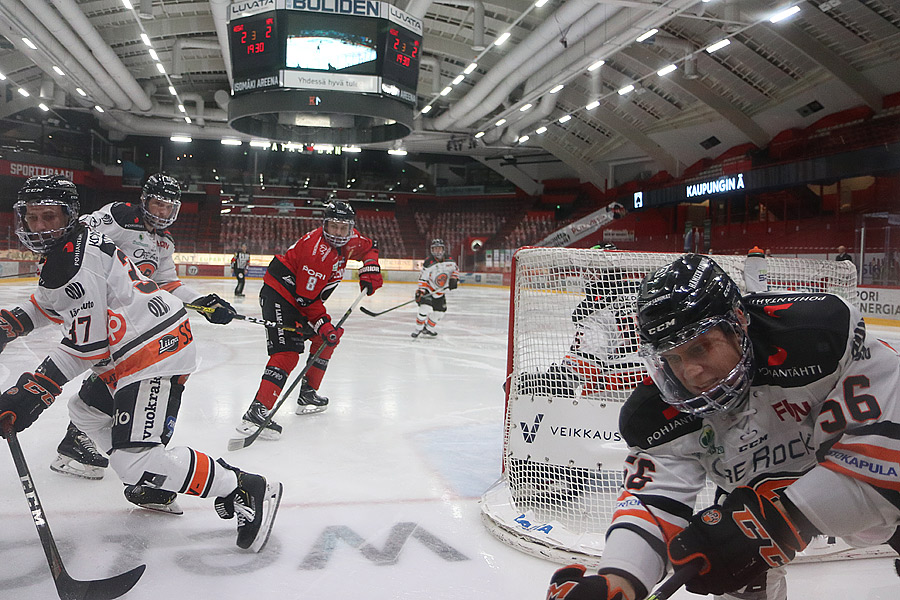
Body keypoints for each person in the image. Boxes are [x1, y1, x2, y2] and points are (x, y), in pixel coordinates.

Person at [546, 253, 900, 600]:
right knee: (733, 569)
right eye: (672, 357)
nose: (690, 373)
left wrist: (771, 523)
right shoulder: (653, 414)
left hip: (849, 497)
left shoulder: (819, 335)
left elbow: (887, 461)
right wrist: (619, 578)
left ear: (740, 320)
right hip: (754, 500)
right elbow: (653, 502)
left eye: (700, 347)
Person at [0, 175, 281, 552]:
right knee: (84, 410)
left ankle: (244, 487)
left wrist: (35, 389)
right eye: (32, 218)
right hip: (136, 340)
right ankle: (151, 475)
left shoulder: (80, 255)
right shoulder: (81, 239)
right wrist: (11, 323)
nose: (38, 227)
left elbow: (88, 347)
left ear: (68, 215)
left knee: (134, 462)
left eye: (48, 217)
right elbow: (52, 302)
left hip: (153, 350)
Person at [47, 173, 237, 501]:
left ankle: (79, 443)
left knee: (117, 376)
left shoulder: (163, 242)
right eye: (157, 204)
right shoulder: (121, 216)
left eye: (168, 207)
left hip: (127, 321)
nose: (162, 213)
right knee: (121, 374)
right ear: (144, 200)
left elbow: (167, 283)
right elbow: (78, 233)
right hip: (100, 312)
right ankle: (91, 445)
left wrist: (203, 302)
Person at [237, 201, 381, 438]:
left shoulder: (352, 239)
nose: (338, 233)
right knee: (288, 352)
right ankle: (256, 412)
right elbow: (306, 302)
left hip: (304, 297)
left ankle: (307, 395)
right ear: (324, 225)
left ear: (350, 228)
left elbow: (370, 247)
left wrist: (371, 268)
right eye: (333, 227)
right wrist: (323, 324)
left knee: (326, 341)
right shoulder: (317, 253)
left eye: (343, 228)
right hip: (281, 296)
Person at [519, 268, 643, 398]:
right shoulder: (645, 295)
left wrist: (542, 383)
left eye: (591, 271)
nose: (586, 276)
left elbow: (579, 370)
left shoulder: (595, 309)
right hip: (657, 387)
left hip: (614, 394)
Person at [411, 238, 459, 338]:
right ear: (432, 250)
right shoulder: (429, 262)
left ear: (443, 249)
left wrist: (454, 278)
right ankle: (418, 329)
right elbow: (423, 278)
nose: (437, 251)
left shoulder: (450, 260)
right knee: (424, 308)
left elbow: (456, 270)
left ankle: (428, 328)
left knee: (440, 312)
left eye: (439, 249)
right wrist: (421, 291)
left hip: (440, 291)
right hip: (429, 289)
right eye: (435, 249)